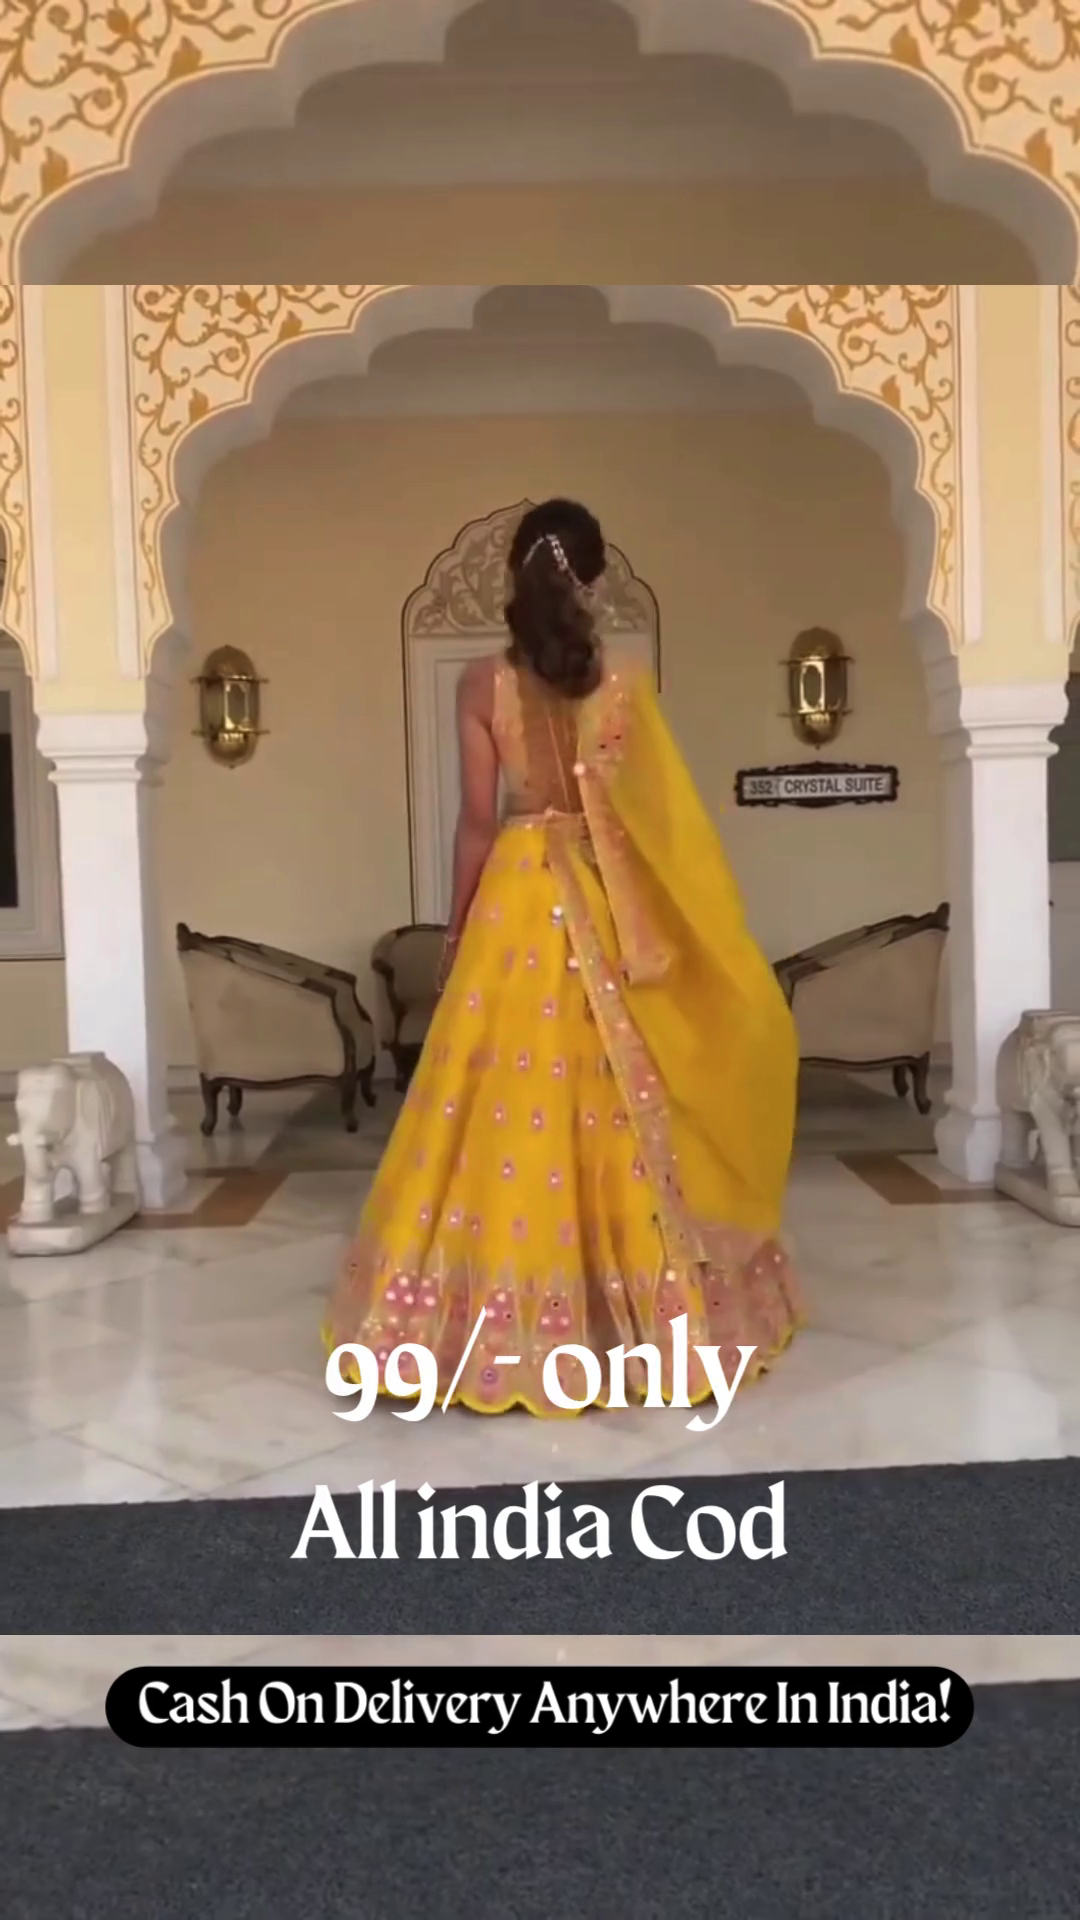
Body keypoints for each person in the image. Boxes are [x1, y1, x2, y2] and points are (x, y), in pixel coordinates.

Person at [325, 498, 800, 1415]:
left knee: (500, 1097)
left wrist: (457, 932)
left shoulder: (479, 684)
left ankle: (486, 1318)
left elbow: (476, 821)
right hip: (606, 895)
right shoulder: (622, 681)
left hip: (515, 898)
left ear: (514, 574)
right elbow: (657, 820)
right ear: (593, 580)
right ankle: (636, 1308)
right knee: (620, 1090)